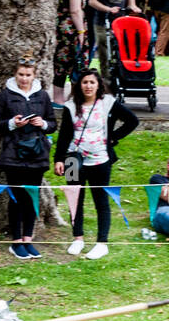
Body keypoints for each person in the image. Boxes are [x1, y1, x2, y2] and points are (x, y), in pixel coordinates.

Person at [53, 68, 138, 260]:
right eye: (84, 82)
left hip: (100, 159)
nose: (88, 86)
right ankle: (78, 238)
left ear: (98, 85)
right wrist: (58, 159)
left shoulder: (107, 103)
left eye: (92, 82)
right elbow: (65, 134)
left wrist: (112, 139)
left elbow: (132, 121)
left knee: (101, 200)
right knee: (75, 199)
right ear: (78, 85)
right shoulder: (70, 106)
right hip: (73, 159)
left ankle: (102, 243)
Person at [0, 54, 56, 259]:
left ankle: (28, 238)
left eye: (28, 75)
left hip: (37, 153)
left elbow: (53, 123)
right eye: (20, 74)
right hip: (13, 153)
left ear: (34, 75)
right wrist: (12, 123)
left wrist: (42, 124)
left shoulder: (43, 96)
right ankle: (16, 240)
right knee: (16, 198)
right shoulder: (5, 95)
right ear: (15, 74)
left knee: (31, 197)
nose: (24, 78)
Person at [88, 0, 142, 86]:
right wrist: (108, 9)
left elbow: (131, 3)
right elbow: (92, 1)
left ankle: (121, 78)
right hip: (102, 21)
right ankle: (106, 82)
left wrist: (134, 9)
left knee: (121, 52)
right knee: (104, 53)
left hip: (120, 23)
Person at [52, 0, 87, 105]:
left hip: (58, 29)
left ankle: (57, 99)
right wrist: (81, 32)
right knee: (76, 63)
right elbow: (75, 11)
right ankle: (74, 98)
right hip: (71, 32)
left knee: (59, 65)